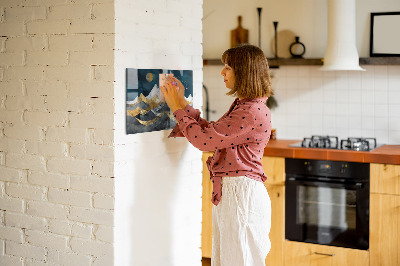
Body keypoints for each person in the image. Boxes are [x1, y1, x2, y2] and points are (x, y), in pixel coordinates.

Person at [161, 44, 273, 266]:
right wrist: (182, 103)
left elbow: (204, 141)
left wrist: (176, 107)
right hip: (236, 193)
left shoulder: (250, 111)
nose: (222, 72)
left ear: (244, 72)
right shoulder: (246, 106)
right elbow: (212, 133)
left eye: (228, 67)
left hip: (241, 195)